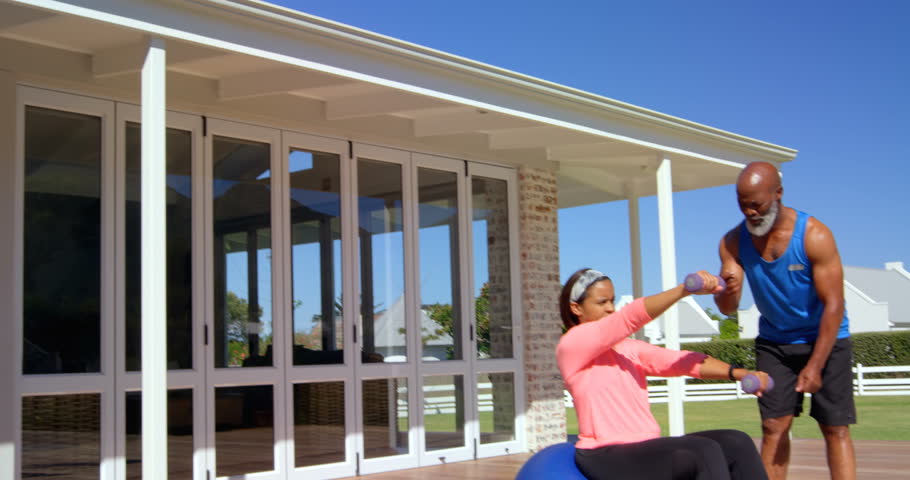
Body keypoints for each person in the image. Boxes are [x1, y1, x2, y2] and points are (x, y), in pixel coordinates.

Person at [557, 268, 771, 480]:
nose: (611, 308)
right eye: (602, 302)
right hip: (604, 454)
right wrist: (684, 290)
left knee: (736, 441)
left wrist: (739, 373)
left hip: (644, 447)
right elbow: (628, 318)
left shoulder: (627, 348)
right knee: (703, 451)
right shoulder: (572, 344)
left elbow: (682, 362)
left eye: (612, 300)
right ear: (576, 308)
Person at [714, 162, 856, 480]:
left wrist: (815, 365)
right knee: (773, 426)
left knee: (834, 427)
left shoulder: (814, 235)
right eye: (742, 205)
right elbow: (727, 308)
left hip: (826, 338)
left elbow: (834, 305)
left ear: (777, 193)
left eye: (756, 204)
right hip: (775, 343)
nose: (750, 212)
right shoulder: (733, 242)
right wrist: (727, 292)